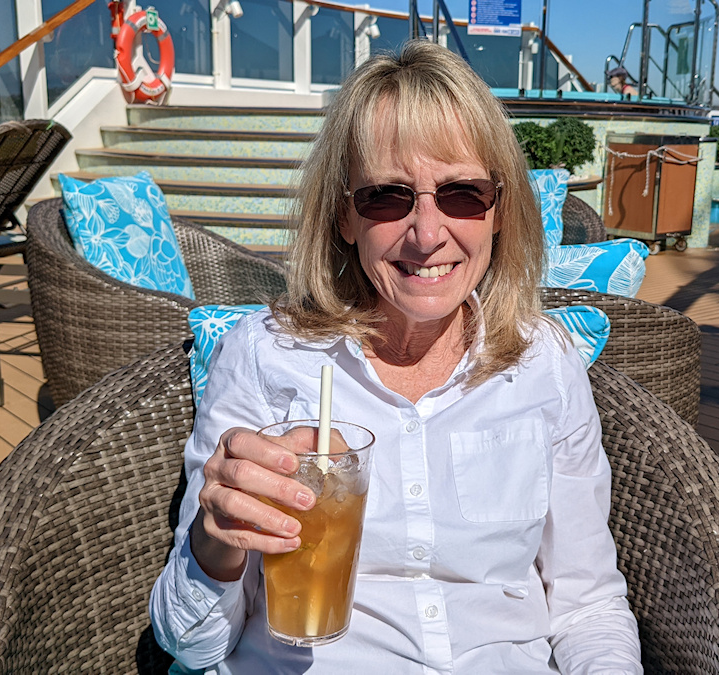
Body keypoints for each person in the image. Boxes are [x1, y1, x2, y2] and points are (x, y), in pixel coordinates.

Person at [149, 40, 643, 674]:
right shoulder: (263, 355)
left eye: (462, 194)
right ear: (344, 218)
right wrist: (214, 543)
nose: (429, 233)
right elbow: (189, 646)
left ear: (499, 212)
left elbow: (588, 603)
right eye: (387, 197)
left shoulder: (545, 362)